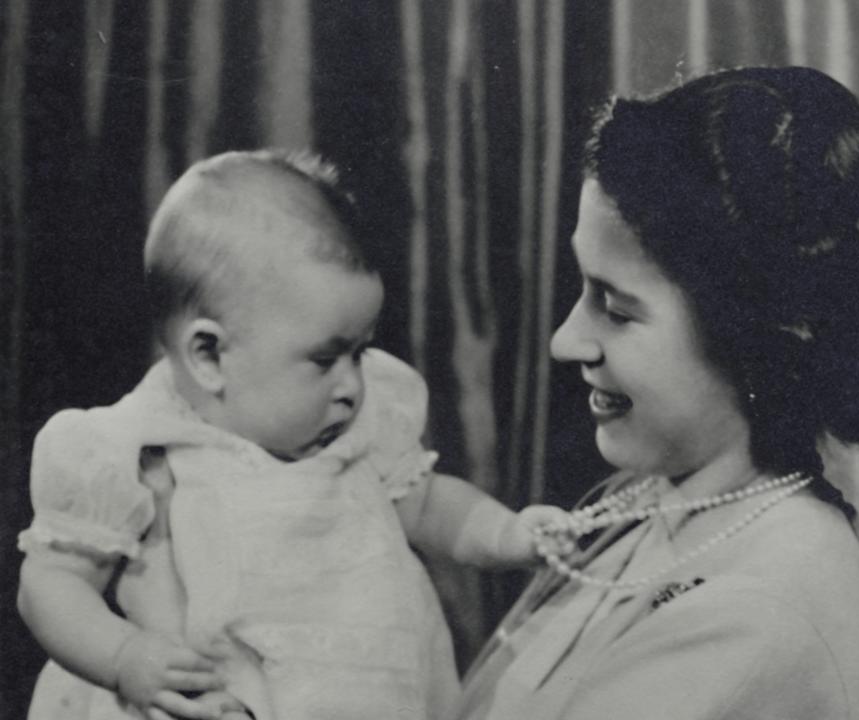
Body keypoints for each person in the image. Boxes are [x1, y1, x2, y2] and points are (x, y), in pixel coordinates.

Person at [456, 66, 859, 720]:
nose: (565, 342)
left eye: (617, 308)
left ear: (753, 341)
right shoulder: (668, 491)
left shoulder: (745, 615)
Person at [17, 150, 564, 720]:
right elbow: (50, 586)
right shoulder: (136, 450)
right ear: (209, 355)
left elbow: (427, 507)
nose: (352, 383)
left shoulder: (362, 423)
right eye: (326, 359)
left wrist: (508, 533)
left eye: (360, 351)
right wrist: (125, 655)